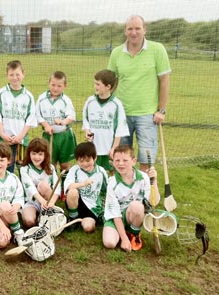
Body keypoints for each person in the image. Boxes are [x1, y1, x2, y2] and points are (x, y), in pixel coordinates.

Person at [107, 15, 171, 171]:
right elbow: (110, 82)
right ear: (125, 31)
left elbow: (164, 81)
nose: (133, 32)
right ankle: (122, 192)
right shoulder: (116, 53)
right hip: (122, 115)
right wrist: (105, 105)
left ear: (144, 30)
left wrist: (161, 110)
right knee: (121, 158)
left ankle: (145, 191)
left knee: (146, 159)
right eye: (130, 29)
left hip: (148, 115)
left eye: (137, 28)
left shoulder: (157, 49)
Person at [102, 145, 160, 252]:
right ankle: (124, 234)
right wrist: (123, 239)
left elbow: (154, 202)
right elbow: (115, 214)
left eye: (125, 160)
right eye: (117, 160)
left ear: (133, 161)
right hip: (116, 218)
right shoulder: (112, 183)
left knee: (136, 206)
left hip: (134, 214)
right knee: (109, 243)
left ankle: (134, 234)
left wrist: (154, 181)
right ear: (113, 162)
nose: (121, 163)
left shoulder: (143, 177)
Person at [82, 69, 129, 174]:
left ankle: (112, 189)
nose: (95, 86)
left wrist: (114, 148)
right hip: (94, 147)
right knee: (93, 171)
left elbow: (120, 129)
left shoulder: (116, 104)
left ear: (108, 87)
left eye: (98, 84)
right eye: (95, 83)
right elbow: (86, 120)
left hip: (109, 147)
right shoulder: (90, 101)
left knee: (112, 171)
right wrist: (87, 132)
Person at [0, 60, 37, 173]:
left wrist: (20, 136)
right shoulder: (1, 93)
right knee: (5, 164)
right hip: (4, 138)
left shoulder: (28, 96)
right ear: (7, 75)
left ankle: (22, 188)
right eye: (11, 75)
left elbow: (30, 118)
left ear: (23, 74)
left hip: (20, 139)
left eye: (17, 74)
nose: (15, 77)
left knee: (22, 166)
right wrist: (2, 134)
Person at [35, 71, 76, 172]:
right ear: (49, 83)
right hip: (48, 136)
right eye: (53, 85)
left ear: (64, 86)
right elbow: (37, 115)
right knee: (50, 164)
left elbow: (71, 116)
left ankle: (65, 185)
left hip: (64, 136)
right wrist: (46, 126)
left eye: (59, 86)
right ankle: (52, 186)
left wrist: (63, 122)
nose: (55, 88)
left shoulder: (66, 100)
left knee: (64, 165)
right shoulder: (41, 98)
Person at [63, 142, 108, 233]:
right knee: (72, 192)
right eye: (81, 161)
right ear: (77, 160)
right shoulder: (74, 170)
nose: (84, 164)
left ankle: (94, 218)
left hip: (92, 206)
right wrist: (83, 184)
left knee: (88, 228)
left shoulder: (101, 171)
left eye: (88, 161)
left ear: (95, 158)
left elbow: (107, 190)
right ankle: (73, 217)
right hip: (77, 202)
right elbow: (69, 186)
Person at [19, 138, 60, 228]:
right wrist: (42, 202)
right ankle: (40, 217)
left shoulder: (51, 168)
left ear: (45, 155)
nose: (37, 157)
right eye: (34, 153)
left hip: (48, 200)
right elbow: (30, 188)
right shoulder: (25, 169)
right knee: (29, 222)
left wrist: (51, 202)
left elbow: (57, 188)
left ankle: (48, 212)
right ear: (29, 154)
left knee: (43, 185)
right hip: (32, 202)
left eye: (40, 154)